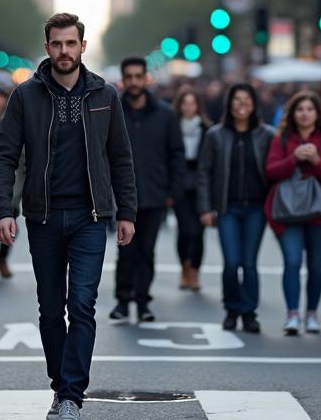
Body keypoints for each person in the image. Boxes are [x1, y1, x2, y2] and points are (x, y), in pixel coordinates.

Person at [0, 12, 137, 420]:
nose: (63, 52)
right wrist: (4, 209)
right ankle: (60, 388)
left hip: (91, 218)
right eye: (56, 44)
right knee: (51, 309)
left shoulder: (105, 95)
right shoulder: (26, 96)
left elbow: (121, 157)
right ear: (47, 47)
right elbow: (4, 157)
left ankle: (72, 395)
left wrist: (126, 212)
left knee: (83, 305)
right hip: (44, 216)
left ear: (82, 47)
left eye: (70, 44)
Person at [109, 57, 187, 323]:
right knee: (125, 251)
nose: (132, 82)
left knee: (146, 251)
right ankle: (122, 300)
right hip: (121, 197)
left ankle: (143, 301)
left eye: (137, 76)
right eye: (128, 77)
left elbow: (177, 155)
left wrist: (172, 192)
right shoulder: (112, 112)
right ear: (123, 79)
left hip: (154, 195)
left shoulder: (165, 115)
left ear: (145, 79)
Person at [263, 87, 321, 335]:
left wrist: (317, 161)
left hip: (320, 212)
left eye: (310, 109)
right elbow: (271, 171)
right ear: (292, 113)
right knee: (293, 261)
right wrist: (294, 157)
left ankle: (312, 313)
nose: (305, 114)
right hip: (287, 211)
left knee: (316, 266)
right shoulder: (282, 138)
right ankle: (293, 314)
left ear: (318, 114)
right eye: (300, 109)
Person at [203, 79, 270, 334]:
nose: (242, 105)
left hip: (256, 209)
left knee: (249, 262)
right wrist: (206, 208)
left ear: (254, 104)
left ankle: (249, 312)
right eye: (237, 100)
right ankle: (232, 309)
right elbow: (203, 173)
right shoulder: (215, 135)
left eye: (247, 100)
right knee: (232, 262)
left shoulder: (267, 135)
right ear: (229, 104)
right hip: (227, 208)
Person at [170, 81, 208, 293]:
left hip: (201, 184)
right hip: (180, 183)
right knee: (185, 229)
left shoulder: (206, 128)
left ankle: (195, 269)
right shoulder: (172, 126)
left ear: (198, 105)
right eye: (185, 103)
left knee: (199, 231)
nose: (188, 107)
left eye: (192, 103)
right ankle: (185, 266)